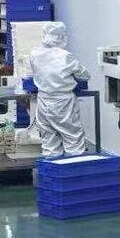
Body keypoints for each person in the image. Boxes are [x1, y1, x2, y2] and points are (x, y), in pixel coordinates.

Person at [25, 21, 90, 157]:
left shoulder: (34, 54)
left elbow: (30, 75)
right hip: (63, 103)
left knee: (49, 141)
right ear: (61, 36)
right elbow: (85, 75)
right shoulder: (65, 56)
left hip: (43, 101)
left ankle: (52, 169)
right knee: (73, 139)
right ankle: (73, 168)